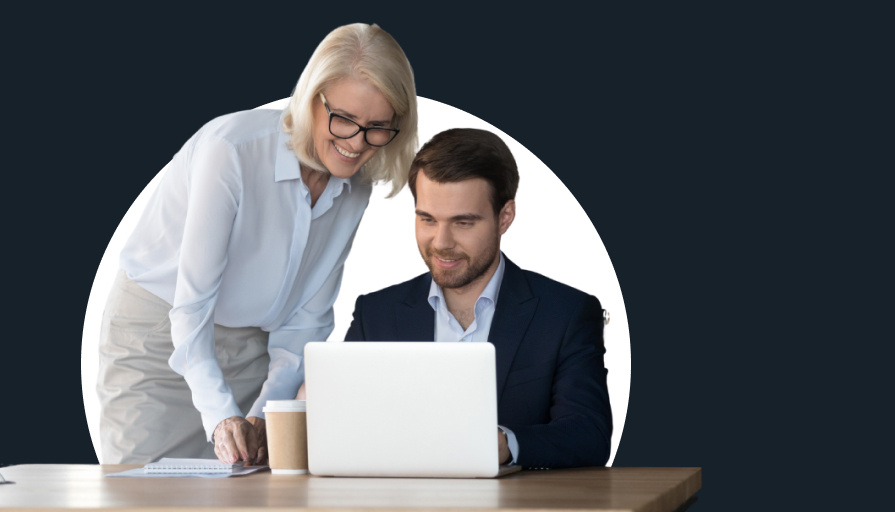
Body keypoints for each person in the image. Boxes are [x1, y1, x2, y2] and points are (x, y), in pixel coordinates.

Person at [96, 23, 418, 465]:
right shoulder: (232, 151)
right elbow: (191, 308)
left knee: (247, 489)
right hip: (160, 339)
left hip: (252, 348)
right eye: (343, 120)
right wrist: (221, 417)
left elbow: (307, 319)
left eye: (378, 127)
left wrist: (267, 411)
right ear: (311, 100)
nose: (356, 144)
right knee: (145, 491)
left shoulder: (356, 185)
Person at [299, 128, 612, 469]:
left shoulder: (566, 313)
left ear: (504, 217)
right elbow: (344, 429)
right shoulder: (375, 315)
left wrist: (507, 445)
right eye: (427, 219)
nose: (441, 242)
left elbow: (589, 434)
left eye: (463, 222)